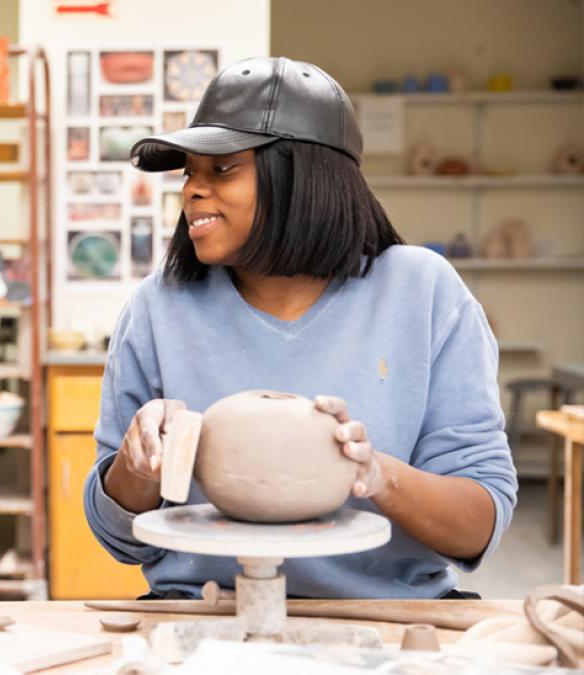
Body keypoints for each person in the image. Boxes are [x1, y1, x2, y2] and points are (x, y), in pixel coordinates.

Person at [85, 56, 517, 599]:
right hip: (203, 616)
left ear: (303, 176)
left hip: (389, 619)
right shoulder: (158, 307)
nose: (191, 190)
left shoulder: (423, 292)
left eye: (220, 169)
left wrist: (377, 475)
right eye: (189, 171)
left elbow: (478, 528)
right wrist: (136, 468)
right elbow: (121, 543)